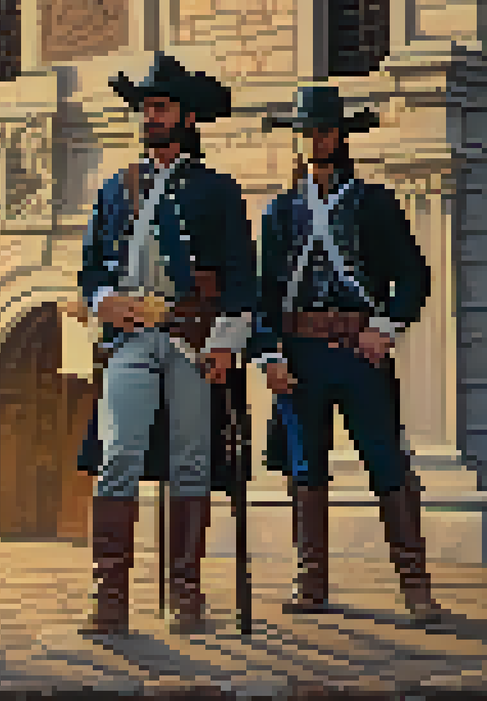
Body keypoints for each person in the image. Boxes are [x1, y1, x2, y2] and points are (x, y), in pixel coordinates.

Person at [77, 53, 257, 636]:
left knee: (192, 463)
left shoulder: (217, 191)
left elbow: (239, 274)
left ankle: (186, 592)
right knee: (118, 456)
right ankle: (109, 594)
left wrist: (226, 343)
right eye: (146, 108)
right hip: (130, 339)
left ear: (185, 116)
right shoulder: (115, 189)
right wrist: (106, 300)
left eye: (159, 107)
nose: (150, 117)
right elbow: (91, 269)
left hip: (192, 339)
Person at [256, 86, 441, 624]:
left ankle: (416, 586)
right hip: (299, 353)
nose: (316, 139)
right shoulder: (279, 212)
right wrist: (269, 354)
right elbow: (266, 292)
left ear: (339, 136)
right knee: (305, 468)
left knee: (387, 463)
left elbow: (413, 277)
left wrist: (383, 328)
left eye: (324, 129)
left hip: (359, 353)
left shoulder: (374, 203)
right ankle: (311, 583)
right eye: (308, 130)